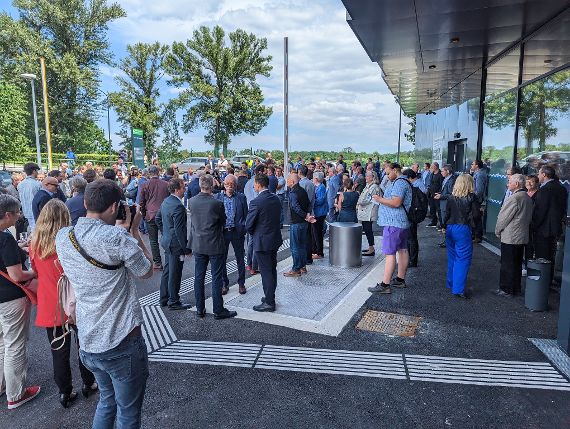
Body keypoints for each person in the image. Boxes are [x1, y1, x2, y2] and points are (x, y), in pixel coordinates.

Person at [56, 179, 153, 428]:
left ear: (86, 203)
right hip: (121, 341)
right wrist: (132, 231)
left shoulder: (63, 237)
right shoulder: (118, 239)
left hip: (88, 340)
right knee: (128, 412)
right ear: (114, 207)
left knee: (107, 401)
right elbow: (146, 270)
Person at [30, 199, 97, 408]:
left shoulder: (35, 243)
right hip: (75, 302)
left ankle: (65, 392)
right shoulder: (71, 240)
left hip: (51, 303)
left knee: (58, 352)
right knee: (83, 346)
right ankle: (89, 382)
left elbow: (36, 271)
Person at [0, 194, 41, 409]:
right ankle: (15, 394)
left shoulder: (7, 238)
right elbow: (16, 275)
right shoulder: (4, 238)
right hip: (10, 297)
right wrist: (33, 273)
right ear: (7, 215)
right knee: (15, 344)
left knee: (2, 343)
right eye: (16, 213)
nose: (19, 216)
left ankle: (3, 385)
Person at [188, 175, 237, 320]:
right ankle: (218, 310)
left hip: (198, 244)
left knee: (199, 277)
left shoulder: (192, 201)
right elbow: (223, 220)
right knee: (216, 278)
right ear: (211, 186)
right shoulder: (216, 203)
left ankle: (200, 309)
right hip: (215, 244)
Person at [368, 163, 412, 294]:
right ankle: (399, 279)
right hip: (401, 222)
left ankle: (385, 284)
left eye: (388, 173)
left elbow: (396, 202)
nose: (387, 176)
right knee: (402, 250)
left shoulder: (399, 183)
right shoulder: (404, 182)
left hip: (394, 223)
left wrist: (379, 199)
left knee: (390, 253)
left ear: (394, 170)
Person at [246, 174, 283, 312]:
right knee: (272, 270)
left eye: (254, 184)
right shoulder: (275, 198)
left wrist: (254, 232)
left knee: (266, 272)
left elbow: (249, 224)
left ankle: (269, 302)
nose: (254, 187)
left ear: (258, 184)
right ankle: (270, 296)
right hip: (274, 239)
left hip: (262, 242)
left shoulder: (256, 202)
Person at [494, 174, 534, 297]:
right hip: (521, 236)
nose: (507, 184)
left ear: (516, 184)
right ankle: (515, 288)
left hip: (511, 236)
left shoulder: (515, 198)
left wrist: (497, 231)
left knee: (507, 264)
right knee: (516, 264)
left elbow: (503, 218)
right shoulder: (527, 197)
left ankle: (506, 289)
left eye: (509, 181)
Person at [156, 179, 193, 310]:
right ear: (177, 190)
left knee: (168, 271)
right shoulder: (178, 206)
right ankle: (174, 300)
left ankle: (164, 298)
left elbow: (157, 219)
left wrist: (165, 233)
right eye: (183, 188)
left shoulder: (166, 201)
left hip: (167, 242)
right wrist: (186, 248)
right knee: (175, 273)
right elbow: (179, 230)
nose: (185, 190)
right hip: (176, 245)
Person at [444, 174, 481, 298]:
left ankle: (451, 283)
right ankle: (458, 289)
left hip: (450, 227)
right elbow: (475, 215)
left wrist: (444, 226)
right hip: (463, 228)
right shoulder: (472, 197)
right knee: (463, 258)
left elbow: (446, 214)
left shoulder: (451, 197)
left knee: (452, 257)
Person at [531, 165, 568, 284]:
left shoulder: (545, 189)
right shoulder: (561, 188)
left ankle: (542, 283)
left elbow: (540, 211)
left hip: (543, 230)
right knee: (551, 256)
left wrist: (533, 226)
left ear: (544, 175)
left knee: (542, 257)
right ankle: (549, 279)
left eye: (539, 173)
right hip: (555, 229)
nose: (537, 175)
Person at [215, 175, 248, 295]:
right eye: (227, 184)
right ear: (223, 184)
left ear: (235, 185)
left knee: (240, 258)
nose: (229, 186)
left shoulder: (241, 197)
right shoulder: (217, 197)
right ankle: (225, 283)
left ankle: (241, 283)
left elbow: (246, 215)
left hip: (236, 231)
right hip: (223, 232)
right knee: (222, 259)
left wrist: (243, 228)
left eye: (232, 184)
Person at [139, 165, 170, 270]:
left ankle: (157, 262)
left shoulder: (144, 185)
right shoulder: (166, 184)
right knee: (166, 237)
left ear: (149, 173)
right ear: (158, 172)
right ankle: (169, 261)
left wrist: (144, 215)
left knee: (153, 240)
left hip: (150, 215)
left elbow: (141, 203)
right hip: (164, 214)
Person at [285, 173, 316, 277]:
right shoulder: (302, 191)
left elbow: (295, 207)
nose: (287, 182)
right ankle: (303, 266)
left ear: (293, 182)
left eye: (288, 180)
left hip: (296, 222)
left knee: (295, 246)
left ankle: (296, 269)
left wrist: (305, 216)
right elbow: (309, 204)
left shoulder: (293, 192)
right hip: (303, 223)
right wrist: (307, 215)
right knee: (302, 245)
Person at [402, 169, 426, 267]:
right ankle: (411, 259)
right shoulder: (416, 184)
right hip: (413, 213)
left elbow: (423, 196)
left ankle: (412, 260)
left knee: (411, 238)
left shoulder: (417, 185)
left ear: (409, 178)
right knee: (411, 237)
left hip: (413, 214)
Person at [358, 171, 380, 256]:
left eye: (367, 176)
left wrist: (359, 202)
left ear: (372, 177)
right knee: (367, 230)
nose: (366, 177)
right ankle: (371, 247)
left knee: (368, 230)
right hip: (366, 212)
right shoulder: (369, 186)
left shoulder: (374, 187)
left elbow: (366, 199)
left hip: (369, 212)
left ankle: (371, 248)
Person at [298, 165, 315, 266]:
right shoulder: (311, 183)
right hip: (310, 212)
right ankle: (309, 257)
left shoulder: (301, 184)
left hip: (303, 214)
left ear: (299, 172)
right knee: (308, 236)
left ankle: (305, 258)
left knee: (302, 238)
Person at [17, 162, 41, 230]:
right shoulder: (37, 184)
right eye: (37, 171)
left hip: (26, 212)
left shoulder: (20, 184)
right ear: (34, 171)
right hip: (36, 213)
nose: (37, 173)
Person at [311, 172, 328, 259]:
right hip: (317, 212)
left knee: (317, 233)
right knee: (314, 232)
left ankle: (319, 252)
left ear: (316, 179)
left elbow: (320, 200)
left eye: (313, 178)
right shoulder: (317, 187)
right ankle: (314, 250)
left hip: (320, 213)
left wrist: (312, 202)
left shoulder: (321, 187)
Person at [471, 160, 488, 243]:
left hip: (477, 200)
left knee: (476, 218)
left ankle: (477, 236)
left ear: (477, 166)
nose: (471, 165)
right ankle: (474, 235)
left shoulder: (480, 174)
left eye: (472, 164)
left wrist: (473, 198)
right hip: (476, 199)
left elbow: (479, 190)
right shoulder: (477, 173)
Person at [426, 162, 443, 227]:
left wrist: (440, 192)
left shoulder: (440, 175)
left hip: (437, 194)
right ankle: (433, 222)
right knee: (432, 209)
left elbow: (442, 184)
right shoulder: (431, 174)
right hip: (430, 194)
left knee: (438, 209)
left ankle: (442, 223)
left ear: (436, 167)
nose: (430, 167)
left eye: (432, 166)